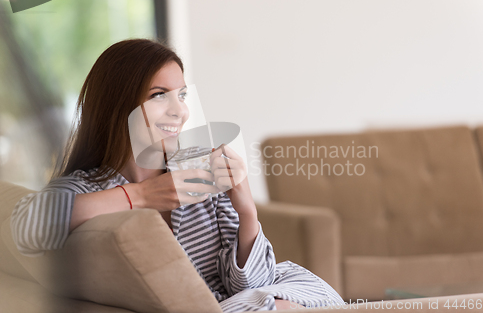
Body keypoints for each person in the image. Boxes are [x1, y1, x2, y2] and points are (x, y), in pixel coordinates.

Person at [10, 39, 344, 312]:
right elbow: (26, 227)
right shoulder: (88, 186)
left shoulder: (196, 172)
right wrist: (139, 196)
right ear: (117, 106)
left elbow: (253, 284)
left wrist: (246, 212)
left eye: (182, 95)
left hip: (249, 296)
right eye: (159, 96)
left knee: (295, 300)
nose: (179, 110)